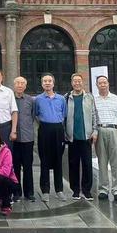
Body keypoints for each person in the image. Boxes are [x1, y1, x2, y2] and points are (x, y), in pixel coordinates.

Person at [65, 73, 98, 200]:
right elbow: (64, 117)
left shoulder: (89, 97)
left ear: (82, 82)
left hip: (86, 137)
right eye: (75, 81)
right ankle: (75, 190)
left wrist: (95, 131)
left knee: (87, 164)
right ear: (71, 83)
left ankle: (86, 189)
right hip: (72, 137)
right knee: (73, 164)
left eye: (79, 81)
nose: (77, 83)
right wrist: (65, 133)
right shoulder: (67, 97)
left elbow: (94, 115)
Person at [35, 73, 67, 202]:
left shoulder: (61, 99)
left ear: (53, 83)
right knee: (44, 161)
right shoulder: (38, 99)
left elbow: (64, 115)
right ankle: (45, 190)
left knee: (58, 160)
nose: (47, 83)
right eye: (45, 81)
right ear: (42, 84)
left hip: (58, 130)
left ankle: (59, 190)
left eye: (49, 81)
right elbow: (36, 115)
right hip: (44, 130)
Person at [94, 75, 117, 202]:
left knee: (116, 162)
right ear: (96, 85)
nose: (102, 85)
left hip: (114, 130)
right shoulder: (94, 100)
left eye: (104, 82)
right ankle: (103, 189)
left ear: (108, 84)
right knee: (102, 162)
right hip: (100, 130)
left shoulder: (116, 99)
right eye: (100, 83)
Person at [11, 76, 35, 202]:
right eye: (17, 83)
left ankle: (29, 192)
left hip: (27, 138)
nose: (20, 85)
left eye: (22, 83)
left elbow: (33, 116)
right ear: (14, 85)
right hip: (13, 138)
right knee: (14, 167)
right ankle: (16, 192)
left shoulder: (30, 100)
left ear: (25, 86)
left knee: (28, 166)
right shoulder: (10, 99)